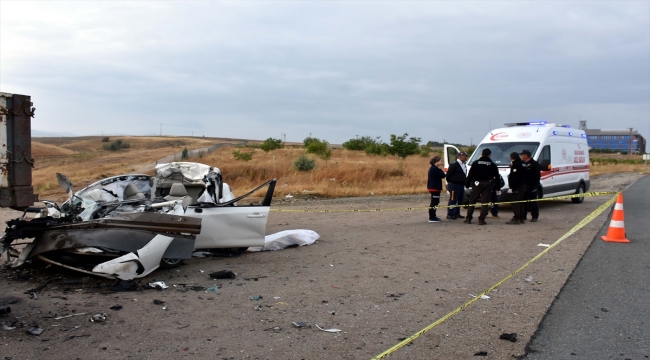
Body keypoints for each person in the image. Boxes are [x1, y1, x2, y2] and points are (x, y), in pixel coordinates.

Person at [464, 148, 499, 225]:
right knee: (484, 202)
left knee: (472, 201)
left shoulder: (475, 163)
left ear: (482, 154)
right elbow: (497, 176)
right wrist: (498, 187)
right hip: (488, 184)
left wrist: (467, 184)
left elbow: (470, 175)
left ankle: (468, 218)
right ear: (489, 155)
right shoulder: (492, 164)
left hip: (477, 184)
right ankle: (481, 219)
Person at [445, 151, 468, 220]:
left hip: (461, 185)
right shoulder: (454, 164)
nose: (466, 157)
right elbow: (448, 174)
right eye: (465, 156)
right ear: (460, 156)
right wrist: (451, 182)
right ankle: (450, 214)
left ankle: (456, 213)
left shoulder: (464, 165)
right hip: (454, 184)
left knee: (460, 200)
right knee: (453, 199)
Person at [506, 152, 527, 224]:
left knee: (515, 202)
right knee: (521, 202)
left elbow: (515, 177)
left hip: (517, 187)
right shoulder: (523, 163)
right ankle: (521, 218)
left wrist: (512, 187)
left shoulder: (516, 165)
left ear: (511, 157)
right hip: (523, 185)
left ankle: (516, 218)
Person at [520, 149, 541, 222]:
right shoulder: (521, 163)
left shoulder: (534, 164)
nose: (521, 156)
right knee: (523, 201)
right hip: (523, 186)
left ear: (526, 156)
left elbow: (537, 176)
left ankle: (534, 216)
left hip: (532, 185)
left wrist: (534, 186)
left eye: (522, 155)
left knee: (533, 202)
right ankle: (523, 216)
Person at [427, 155, 446, 223]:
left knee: (436, 202)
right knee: (434, 202)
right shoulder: (434, 169)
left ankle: (433, 216)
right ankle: (432, 217)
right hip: (434, 187)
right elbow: (443, 175)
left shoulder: (433, 168)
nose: (441, 162)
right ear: (436, 162)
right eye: (440, 161)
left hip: (434, 187)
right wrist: (440, 169)